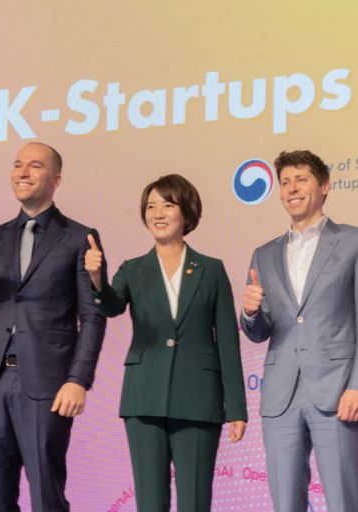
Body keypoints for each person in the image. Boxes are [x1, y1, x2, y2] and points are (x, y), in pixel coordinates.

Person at [0, 142, 106, 512]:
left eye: (34, 166)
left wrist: (78, 379)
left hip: (46, 383)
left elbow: (93, 316)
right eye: (17, 164)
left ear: (56, 180)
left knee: (47, 497)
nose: (22, 172)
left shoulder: (79, 237)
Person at [85, 174, 247, 512]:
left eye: (168, 205)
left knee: (195, 502)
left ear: (186, 213)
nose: (157, 213)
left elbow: (227, 342)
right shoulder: (133, 269)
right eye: (151, 206)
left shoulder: (211, 270)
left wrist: (236, 408)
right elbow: (112, 307)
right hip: (144, 398)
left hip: (199, 400)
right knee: (150, 502)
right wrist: (97, 280)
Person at [240, 150, 358, 512]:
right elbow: (259, 331)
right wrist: (250, 312)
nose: (291, 189)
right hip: (280, 396)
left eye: (301, 180)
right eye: (285, 182)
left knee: (343, 500)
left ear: (324, 186)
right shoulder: (263, 254)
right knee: (285, 503)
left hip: (337, 391)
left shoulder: (357, 242)